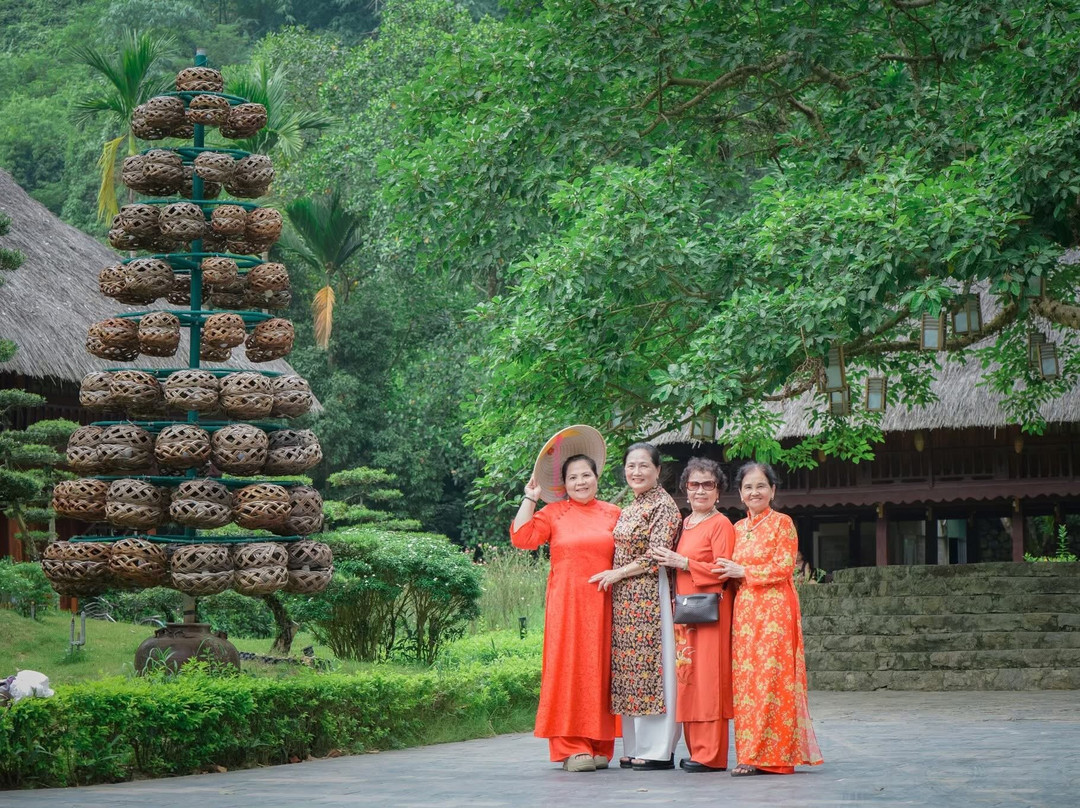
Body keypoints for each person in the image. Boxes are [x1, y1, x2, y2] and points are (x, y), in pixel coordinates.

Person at [511, 426, 621, 773]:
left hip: (605, 604)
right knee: (569, 670)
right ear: (564, 484)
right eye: (573, 477)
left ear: (596, 477)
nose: (580, 482)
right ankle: (571, 747)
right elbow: (522, 538)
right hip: (568, 606)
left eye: (586, 475)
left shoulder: (613, 514)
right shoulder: (554, 513)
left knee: (602, 671)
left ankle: (600, 743)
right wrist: (530, 497)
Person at [713, 461, 824, 776]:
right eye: (748, 487)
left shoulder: (782, 523)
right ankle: (750, 755)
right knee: (747, 683)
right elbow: (725, 570)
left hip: (775, 610)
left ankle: (775, 756)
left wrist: (744, 571)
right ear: (740, 493)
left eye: (761, 486)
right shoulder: (737, 529)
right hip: (745, 613)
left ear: (772, 490)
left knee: (773, 682)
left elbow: (784, 566)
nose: (754, 492)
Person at [589, 442, 681, 771]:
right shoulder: (630, 506)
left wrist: (617, 574)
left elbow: (655, 556)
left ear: (658, 470)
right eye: (631, 466)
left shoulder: (664, 506)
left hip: (649, 596)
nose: (636, 472)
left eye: (644, 466)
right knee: (630, 671)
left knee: (652, 669)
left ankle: (658, 750)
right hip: (624, 598)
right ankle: (636, 745)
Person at [650, 457, 736, 773]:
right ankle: (696, 750)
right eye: (694, 484)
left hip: (711, 610)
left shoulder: (720, 524)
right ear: (686, 489)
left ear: (718, 491)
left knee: (709, 679)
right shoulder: (686, 523)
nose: (700, 490)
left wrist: (684, 563)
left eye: (707, 485)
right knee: (689, 678)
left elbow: (724, 570)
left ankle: (711, 754)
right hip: (686, 610)